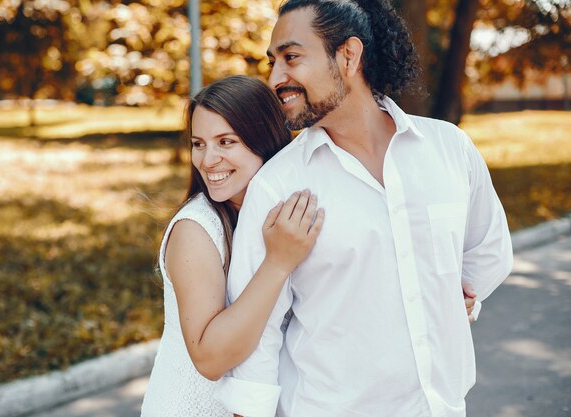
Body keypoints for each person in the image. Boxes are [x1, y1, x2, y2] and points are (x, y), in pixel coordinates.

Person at [215, 1, 513, 416]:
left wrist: (453, 296)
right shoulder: (279, 185)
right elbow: (258, 334)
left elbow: (488, 249)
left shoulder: (450, 149)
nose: (275, 78)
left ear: (349, 55)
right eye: (273, 62)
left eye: (291, 58)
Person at [139, 75, 325, 417]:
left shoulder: (288, 215)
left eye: (226, 142)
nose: (208, 160)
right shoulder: (195, 230)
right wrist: (278, 263)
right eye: (199, 144)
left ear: (264, 140)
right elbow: (209, 358)